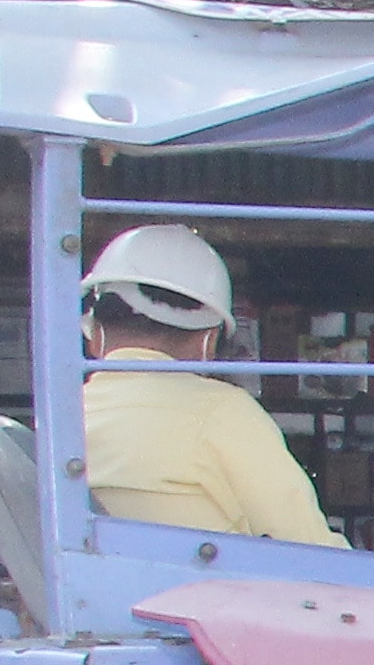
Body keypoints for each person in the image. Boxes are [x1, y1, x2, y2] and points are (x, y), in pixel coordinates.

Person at [76, 226, 332, 545]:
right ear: (208, 342)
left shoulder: (62, 418)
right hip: (208, 593)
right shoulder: (225, 412)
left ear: (95, 334)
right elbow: (307, 544)